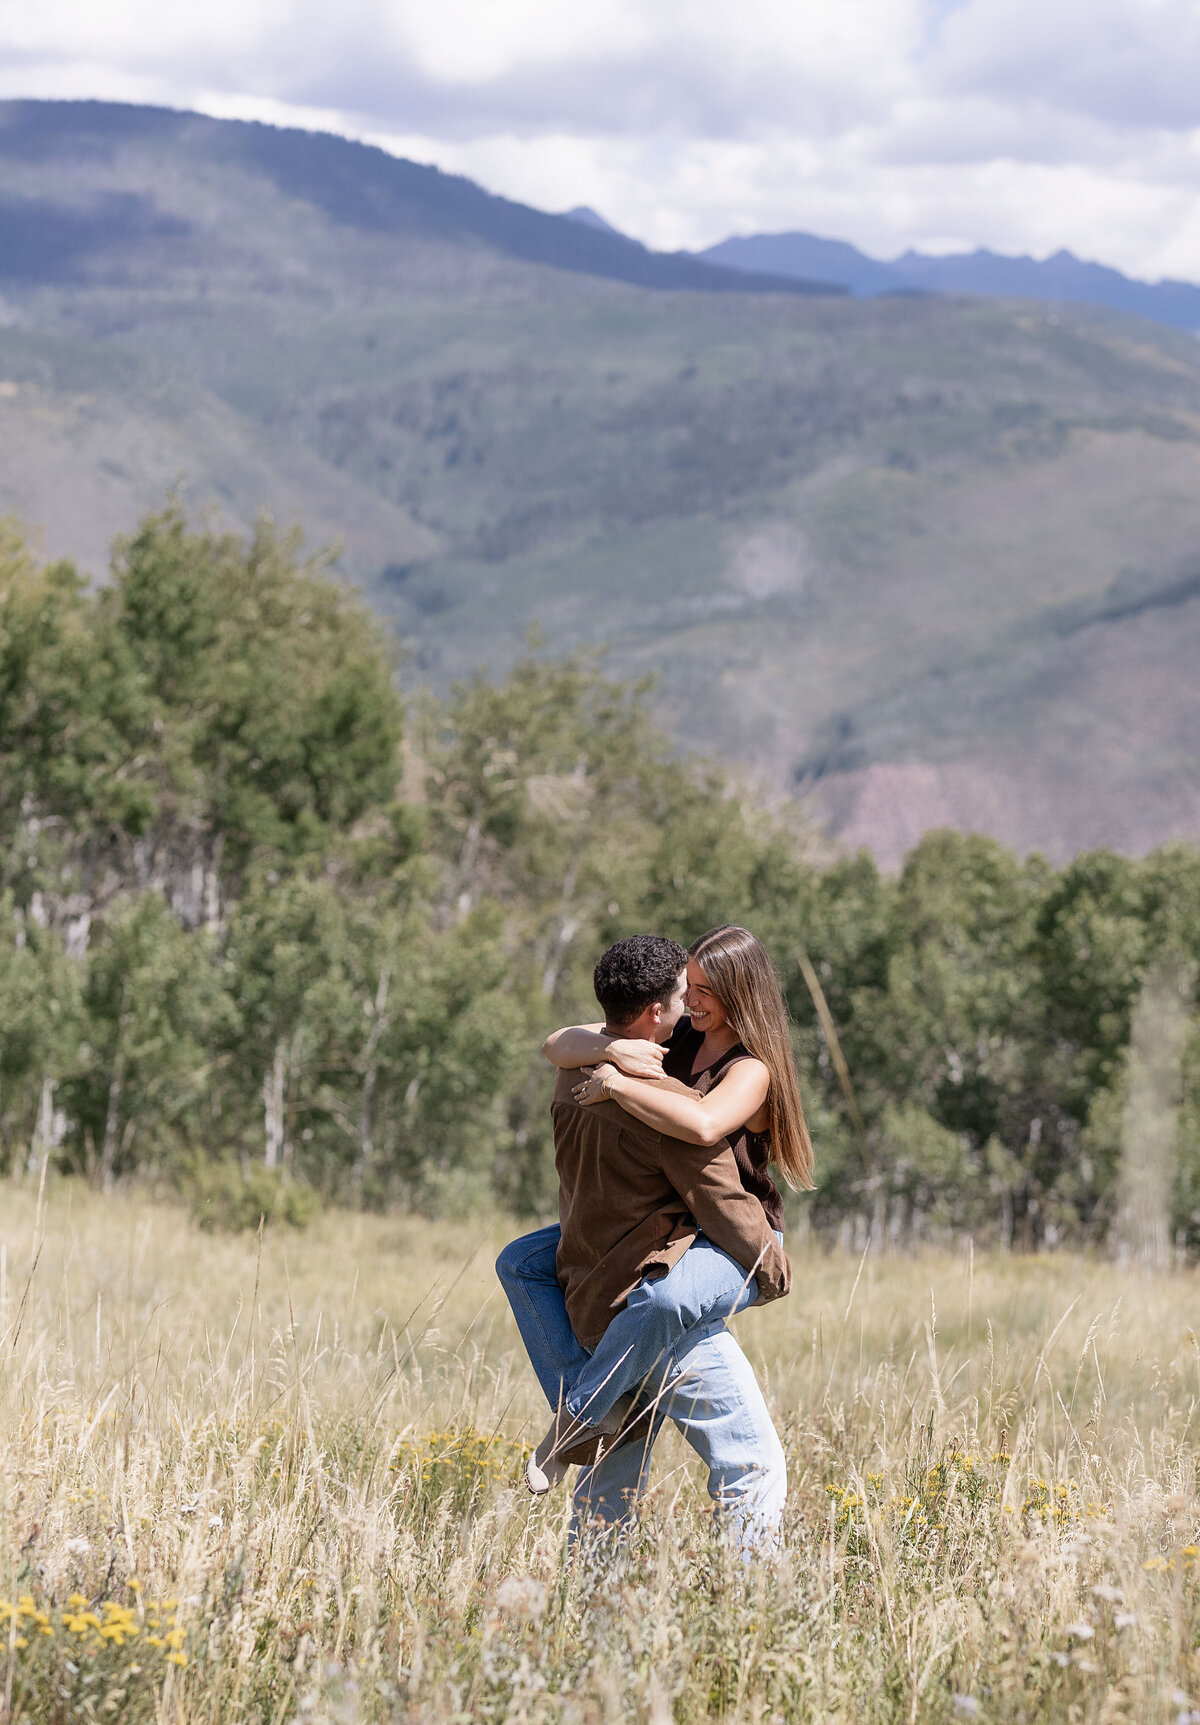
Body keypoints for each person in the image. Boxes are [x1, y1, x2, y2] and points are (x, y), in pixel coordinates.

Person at [496, 930, 809, 1542]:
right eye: (687, 988)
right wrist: (608, 1048)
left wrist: (617, 1080)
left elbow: (700, 1124)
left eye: (706, 991)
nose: (692, 1001)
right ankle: (598, 1413)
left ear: (741, 994)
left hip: (727, 1239)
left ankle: (579, 1415)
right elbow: (558, 1043)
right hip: (660, 1230)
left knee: (665, 1301)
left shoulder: (750, 1070)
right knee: (524, 1261)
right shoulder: (676, 1036)